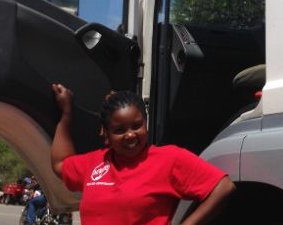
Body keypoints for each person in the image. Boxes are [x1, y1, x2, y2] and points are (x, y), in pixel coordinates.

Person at [51, 83, 235, 224]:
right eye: (119, 130)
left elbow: (223, 187)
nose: (130, 134)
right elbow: (60, 164)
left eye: (137, 125)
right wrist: (66, 115)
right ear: (105, 134)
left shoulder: (169, 158)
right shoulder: (95, 162)